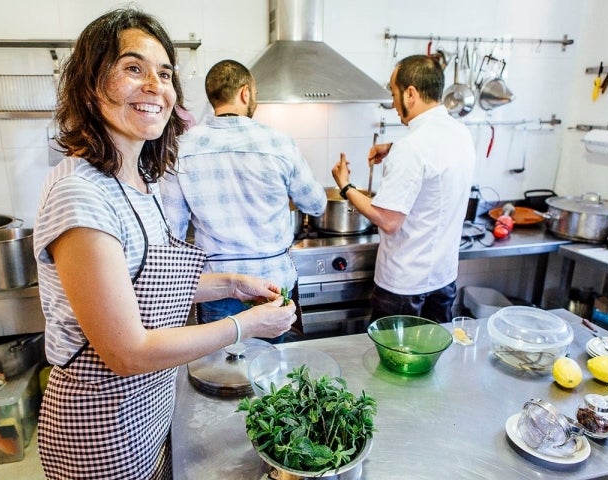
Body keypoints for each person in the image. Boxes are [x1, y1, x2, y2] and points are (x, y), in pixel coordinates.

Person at [33, 9, 296, 480]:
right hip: (101, 435)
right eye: (134, 68)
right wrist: (246, 324)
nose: (156, 85)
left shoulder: (140, 181)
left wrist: (235, 284)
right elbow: (127, 351)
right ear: (92, 84)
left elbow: (150, 287)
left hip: (151, 415)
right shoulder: (81, 194)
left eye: (165, 73)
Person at [160, 59, 326, 340]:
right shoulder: (278, 143)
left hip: (216, 286)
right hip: (273, 286)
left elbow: (172, 235)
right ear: (245, 92)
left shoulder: (180, 148)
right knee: (272, 376)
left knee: (221, 374)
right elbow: (316, 204)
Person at [331, 54, 475, 324]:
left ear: (410, 93)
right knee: (432, 359)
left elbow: (388, 220)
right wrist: (392, 147)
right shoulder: (460, 134)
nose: (393, 103)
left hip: (404, 288)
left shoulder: (412, 148)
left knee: (393, 363)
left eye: (394, 93)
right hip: (443, 279)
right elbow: (434, 163)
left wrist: (346, 186)